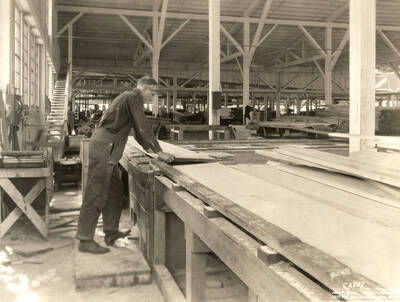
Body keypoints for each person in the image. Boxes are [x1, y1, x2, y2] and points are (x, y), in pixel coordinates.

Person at [76, 76, 174, 254]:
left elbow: (137, 131)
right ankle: (84, 239)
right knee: (96, 192)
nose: (153, 97)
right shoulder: (133, 97)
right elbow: (143, 127)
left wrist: (152, 149)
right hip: (105, 146)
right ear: (143, 89)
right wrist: (159, 152)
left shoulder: (129, 99)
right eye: (152, 93)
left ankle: (111, 232)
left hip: (109, 147)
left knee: (115, 191)